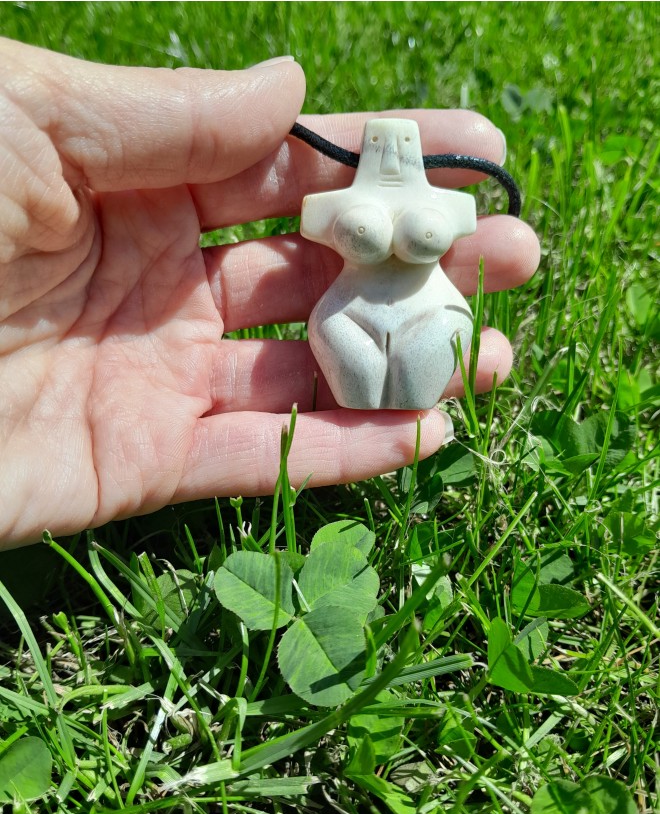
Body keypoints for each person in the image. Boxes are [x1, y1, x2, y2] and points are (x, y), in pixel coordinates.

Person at [0, 38, 540, 549]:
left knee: (421, 370)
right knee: (355, 372)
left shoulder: (451, 207)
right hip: (348, 313)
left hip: (432, 312)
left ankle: (403, 389)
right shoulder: (331, 206)